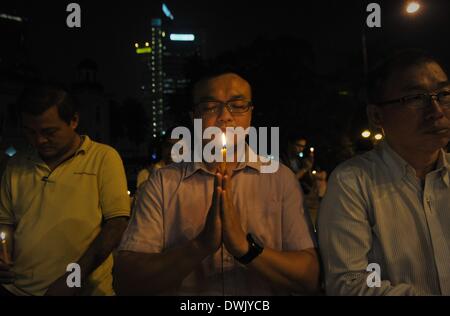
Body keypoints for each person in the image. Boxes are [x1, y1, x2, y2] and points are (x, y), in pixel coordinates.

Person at [114, 71, 319, 295]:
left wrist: (243, 247)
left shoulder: (280, 179)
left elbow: (309, 278)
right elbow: (127, 281)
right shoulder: (164, 184)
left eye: (237, 105)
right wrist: (200, 245)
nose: (225, 116)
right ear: (194, 117)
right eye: (211, 107)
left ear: (250, 115)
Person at [318, 50, 450, 295]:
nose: (436, 111)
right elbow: (349, 284)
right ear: (377, 115)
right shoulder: (353, 183)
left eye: (443, 94)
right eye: (416, 98)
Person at [0, 84, 130, 296]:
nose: (39, 140)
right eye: (30, 132)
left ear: (74, 121)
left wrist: (73, 279)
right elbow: (5, 223)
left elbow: (116, 225)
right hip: (17, 290)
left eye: (49, 132)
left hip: (85, 291)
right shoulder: (17, 165)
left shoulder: (103, 158)